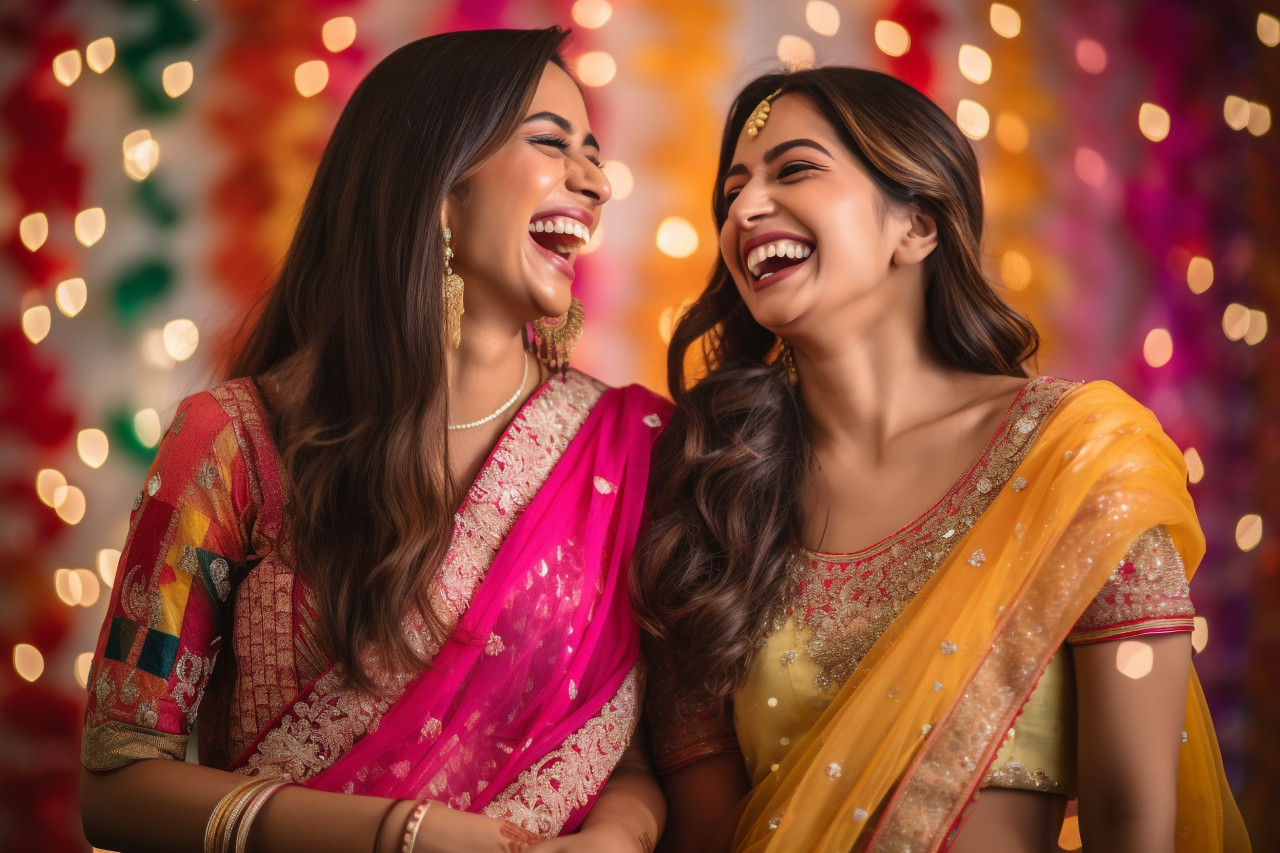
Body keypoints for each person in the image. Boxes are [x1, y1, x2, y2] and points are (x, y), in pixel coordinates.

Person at [630, 67, 1250, 853]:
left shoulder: (1077, 457)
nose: (745, 209)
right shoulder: (715, 490)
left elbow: (1136, 820)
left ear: (916, 226)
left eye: (795, 170)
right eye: (732, 192)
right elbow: (706, 831)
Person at [80, 27, 668, 853]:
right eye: (551, 143)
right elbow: (116, 780)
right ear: (437, 183)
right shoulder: (235, 442)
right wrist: (402, 834)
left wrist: (617, 835)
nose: (596, 181)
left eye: (596, 156)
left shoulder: (631, 451)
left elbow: (637, 752)